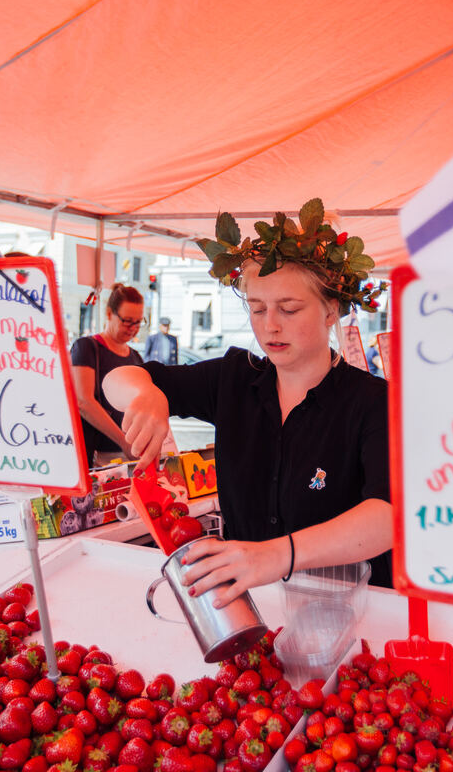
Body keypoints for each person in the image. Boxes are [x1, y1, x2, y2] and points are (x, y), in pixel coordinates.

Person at [104, 199, 392, 606]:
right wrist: (145, 393)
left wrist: (277, 555)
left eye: (289, 309)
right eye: (257, 309)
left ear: (331, 311)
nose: (270, 325)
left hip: (353, 613)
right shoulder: (235, 378)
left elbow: (385, 518)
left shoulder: (373, 401)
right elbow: (115, 379)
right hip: (255, 606)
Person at [70, 283, 146, 467]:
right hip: (96, 457)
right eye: (127, 321)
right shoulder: (87, 347)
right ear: (109, 314)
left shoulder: (136, 357)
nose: (133, 328)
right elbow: (84, 402)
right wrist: (123, 441)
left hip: (130, 454)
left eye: (138, 322)